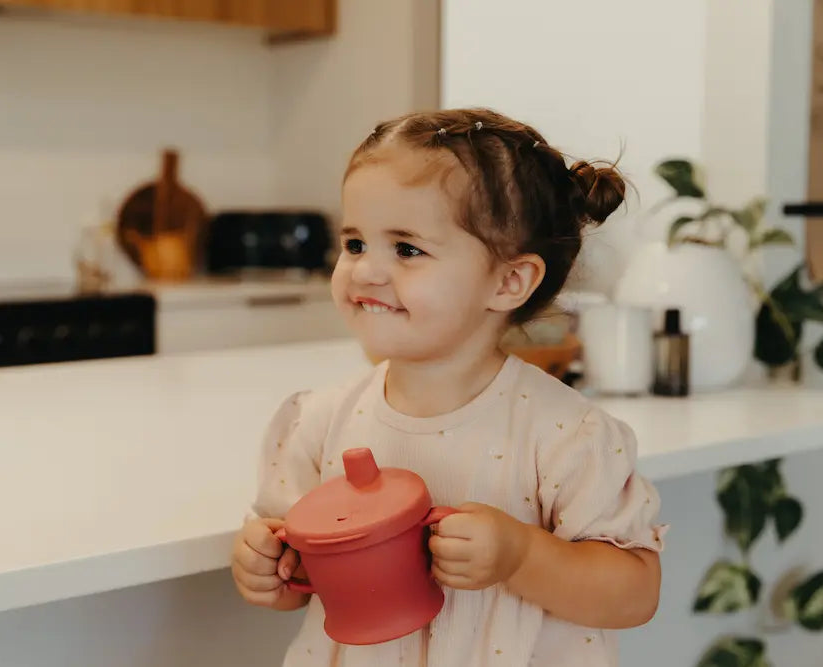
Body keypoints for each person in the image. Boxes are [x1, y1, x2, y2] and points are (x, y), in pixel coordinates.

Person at [231, 108, 666, 667]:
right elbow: (300, 575)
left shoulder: (564, 434)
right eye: (355, 243)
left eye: (406, 249)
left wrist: (521, 556)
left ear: (509, 281)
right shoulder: (317, 421)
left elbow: (635, 594)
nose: (364, 271)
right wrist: (268, 569)